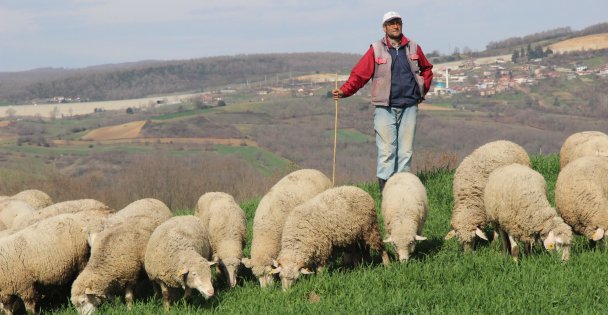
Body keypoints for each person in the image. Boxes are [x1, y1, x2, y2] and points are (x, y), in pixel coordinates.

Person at [332, 11, 433, 192]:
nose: (396, 26)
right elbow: (359, 75)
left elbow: (427, 69)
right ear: (384, 27)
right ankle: (385, 191)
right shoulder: (376, 49)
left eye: (398, 22)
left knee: (406, 151)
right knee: (387, 151)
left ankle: (403, 189)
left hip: (409, 105)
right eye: (391, 23)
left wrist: (422, 88)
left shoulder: (414, 47)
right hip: (385, 107)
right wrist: (344, 91)